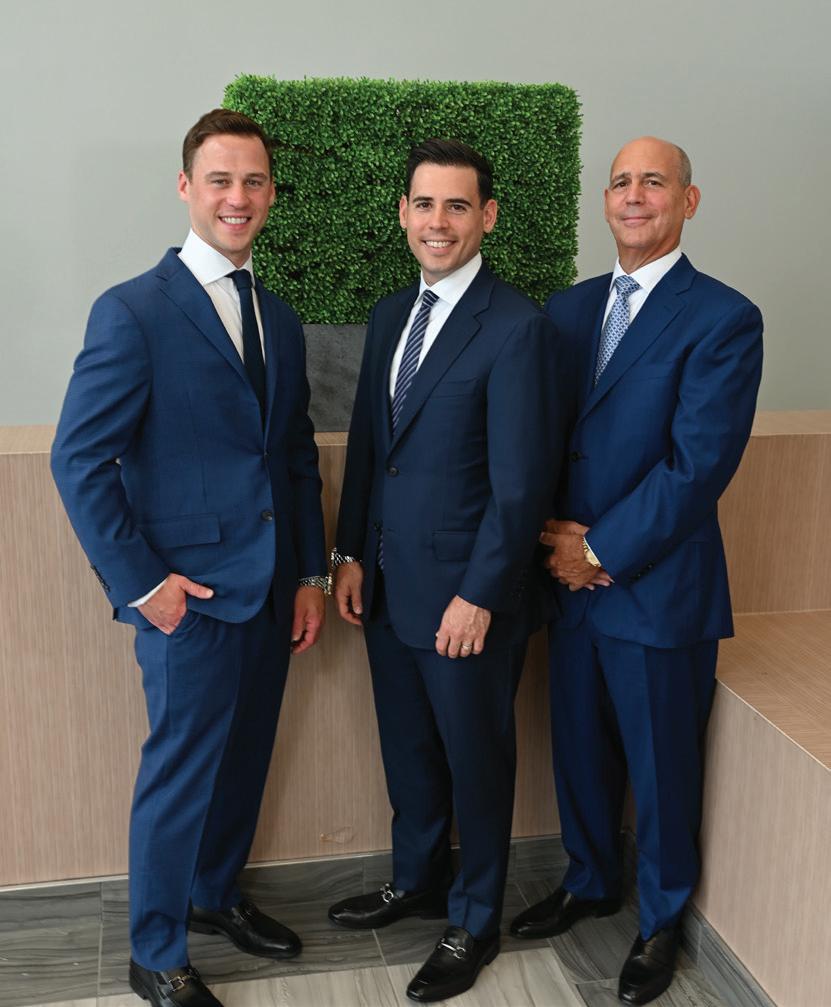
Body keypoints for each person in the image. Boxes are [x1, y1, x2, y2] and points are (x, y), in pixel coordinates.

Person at [51, 109, 327, 1007]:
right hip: (189, 597)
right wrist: (144, 587)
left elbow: (292, 455)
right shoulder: (132, 310)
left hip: (272, 588)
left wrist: (310, 574)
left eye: (253, 181)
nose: (237, 197)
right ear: (186, 188)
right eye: (219, 180)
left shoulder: (278, 318)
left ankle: (214, 895)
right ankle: (156, 952)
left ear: (271, 194)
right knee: (180, 775)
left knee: (244, 759)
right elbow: (78, 459)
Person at [510, 137, 764, 1005]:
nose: (632, 195)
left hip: (655, 590)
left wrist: (598, 550)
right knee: (578, 750)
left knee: (660, 767)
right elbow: (543, 436)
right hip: (566, 584)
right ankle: (589, 881)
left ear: (686, 201)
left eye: (653, 182)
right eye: (619, 181)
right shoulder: (567, 309)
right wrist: (551, 544)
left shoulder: (722, 317)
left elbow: (697, 466)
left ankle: (659, 918)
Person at [327, 138, 569, 1003]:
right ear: (403, 212)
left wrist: (479, 594)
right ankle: (418, 879)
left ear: (486, 217)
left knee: (476, 759)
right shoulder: (392, 313)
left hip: (466, 600)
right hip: (386, 585)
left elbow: (520, 485)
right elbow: (371, 450)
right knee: (409, 749)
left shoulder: (517, 327)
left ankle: (474, 919)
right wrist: (349, 554)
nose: (438, 221)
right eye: (424, 204)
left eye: (456, 206)